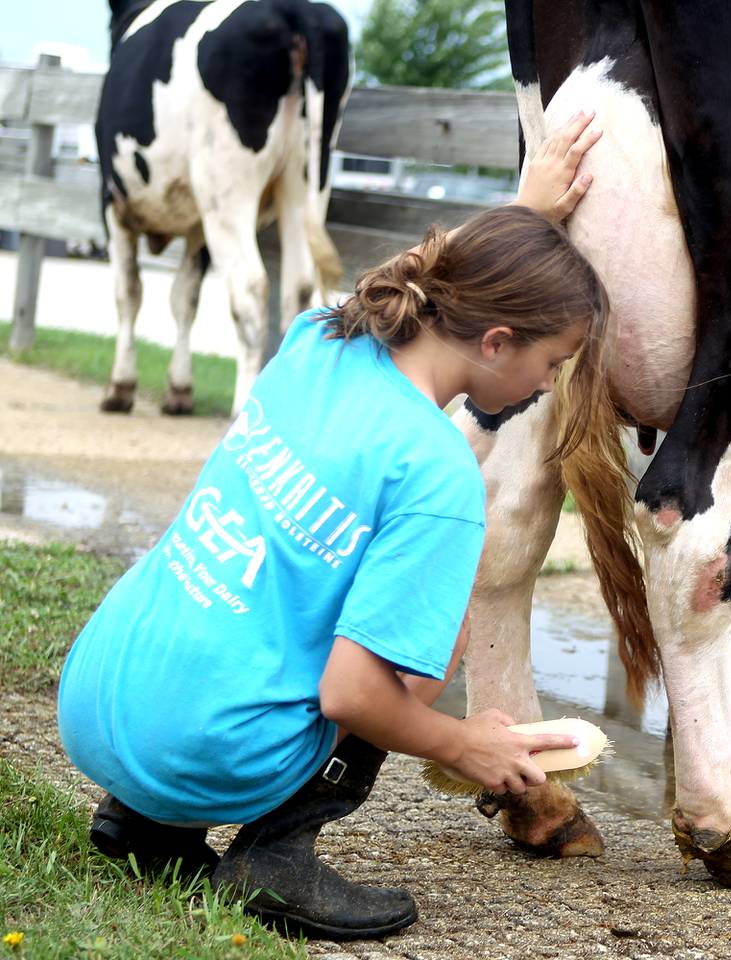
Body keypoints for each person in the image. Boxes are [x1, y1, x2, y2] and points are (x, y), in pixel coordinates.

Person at [56, 111, 608, 941]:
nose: (549, 380)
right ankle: (273, 857)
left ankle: (145, 823)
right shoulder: (438, 476)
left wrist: (522, 214)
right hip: (197, 751)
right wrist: (465, 744)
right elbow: (355, 696)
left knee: (285, 585)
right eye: (553, 361)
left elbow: (420, 272)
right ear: (497, 343)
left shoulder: (320, 334)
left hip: (98, 699)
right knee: (416, 655)